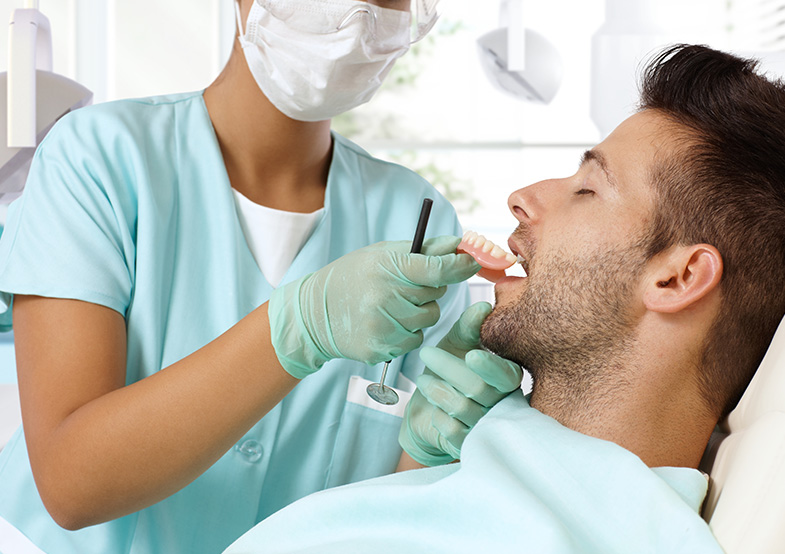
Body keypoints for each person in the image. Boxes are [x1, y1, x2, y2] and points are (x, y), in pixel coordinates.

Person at [221, 44, 785, 553]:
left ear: (677, 279)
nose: (521, 199)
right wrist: (421, 458)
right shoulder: (494, 479)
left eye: (588, 189)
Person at [0, 1, 519, 553]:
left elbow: (386, 514)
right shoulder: (98, 157)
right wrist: (300, 325)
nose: (357, 14)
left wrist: (432, 446)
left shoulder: (416, 214)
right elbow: (72, 484)